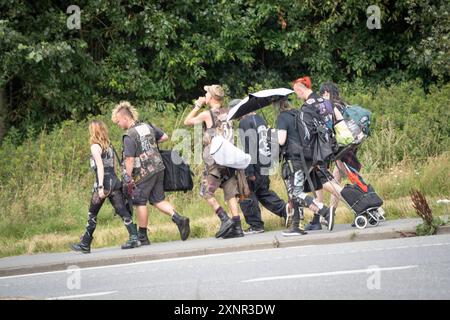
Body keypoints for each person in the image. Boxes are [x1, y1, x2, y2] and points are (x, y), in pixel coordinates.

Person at [111, 101, 190, 245]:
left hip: (143, 172)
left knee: (139, 202)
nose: (118, 124)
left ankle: (142, 236)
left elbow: (129, 160)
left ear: (125, 118)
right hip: (159, 168)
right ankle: (179, 219)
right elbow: (164, 136)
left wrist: (127, 178)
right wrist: (149, 144)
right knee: (157, 200)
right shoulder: (147, 126)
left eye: (118, 121)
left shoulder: (129, 135)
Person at [275, 79, 335, 236]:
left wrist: (270, 135)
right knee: (297, 192)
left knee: (295, 193)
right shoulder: (297, 112)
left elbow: (281, 140)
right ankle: (297, 226)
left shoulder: (282, 117)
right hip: (306, 156)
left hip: (294, 159)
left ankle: (325, 211)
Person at [71, 120, 141, 253]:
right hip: (114, 181)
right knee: (122, 210)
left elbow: (100, 167)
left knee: (92, 213)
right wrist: (114, 181)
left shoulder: (95, 146)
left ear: (93, 131)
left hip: (104, 183)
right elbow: (113, 165)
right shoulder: (109, 145)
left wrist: (101, 187)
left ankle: (85, 244)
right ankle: (134, 237)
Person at [183, 85, 244, 239]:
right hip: (229, 158)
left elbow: (187, 121)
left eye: (206, 93)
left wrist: (197, 105)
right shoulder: (228, 112)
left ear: (211, 97)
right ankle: (237, 227)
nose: (204, 94)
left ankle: (224, 218)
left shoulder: (207, 114)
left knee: (205, 192)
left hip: (215, 161)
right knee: (230, 192)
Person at [234, 99, 294, 234]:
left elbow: (248, 148)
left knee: (246, 194)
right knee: (263, 192)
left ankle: (255, 225)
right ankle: (284, 209)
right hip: (265, 161)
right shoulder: (259, 119)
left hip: (254, 164)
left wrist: (249, 172)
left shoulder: (244, 123)